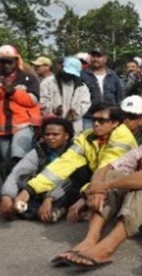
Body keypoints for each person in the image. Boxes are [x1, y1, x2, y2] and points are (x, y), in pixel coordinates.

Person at [52, 105, 142, 270]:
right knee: (114, 176)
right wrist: (98, 186)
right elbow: (105, 169)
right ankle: (90, 240)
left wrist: (105, 185)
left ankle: (107, 248)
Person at [13, 103, 137, 223]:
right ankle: (59, 206)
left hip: (120, 184)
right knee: (75, 171)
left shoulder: (123, 139)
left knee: (100, 179)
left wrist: (84, 197)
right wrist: (29, 190)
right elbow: (64, 163)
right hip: (96, 180)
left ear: (115, 123)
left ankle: (93, 216)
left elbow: (105, 171)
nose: (96, 124)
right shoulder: (87, 136)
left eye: (102, 120)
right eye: (94, 120)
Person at [1, 118, 74, 221]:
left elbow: (68, 179)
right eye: (47, 134)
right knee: (22, 179)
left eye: (55, 134)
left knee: (51, 214)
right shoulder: (40, 149)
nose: (50, 138)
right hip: (41, 187)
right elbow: (18, 171)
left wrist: (50, 198)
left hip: (63, 189)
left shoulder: (73, 151)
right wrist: (7, 196)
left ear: (66, 136)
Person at [0, 45, 41, 174]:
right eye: (2, 61)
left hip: (23, 125)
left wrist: (13, 92)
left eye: (9, 61)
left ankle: (24, 189)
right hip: (2, 128)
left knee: (18, 157)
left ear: (16, 61)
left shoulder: (28, 77)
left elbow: (32, 101)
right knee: (6, 164)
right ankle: (8, 192)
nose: (6, 65)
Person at [40, 57, 91, 134]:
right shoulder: (48, 82)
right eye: (67, 72)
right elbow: (43, 101)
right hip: (52, 125)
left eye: (71, 73)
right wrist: (53, 110)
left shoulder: (82, 86)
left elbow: (85, 104)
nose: (68, 75)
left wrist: (75, 113)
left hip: (74, 126)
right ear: (62, 67)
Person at [81, 48, 123, 130]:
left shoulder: (113, 76)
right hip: (89, 117)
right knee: (89, 140)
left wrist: (119, 114)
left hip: (110, 118)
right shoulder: (83, 75)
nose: (95, 59)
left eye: (98, 56)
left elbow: (119, 97)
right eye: (93, 56)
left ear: (105, 59)